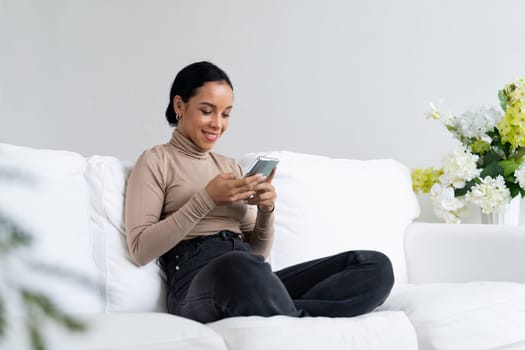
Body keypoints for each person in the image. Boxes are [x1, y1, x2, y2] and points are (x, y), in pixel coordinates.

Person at [124, 61, 394, 323]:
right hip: (197, 282)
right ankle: (291, 316)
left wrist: (266, 210)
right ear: (179, 105)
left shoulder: (228, 165)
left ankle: (283, 314)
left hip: (251, 278)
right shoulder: (156, 161)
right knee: (238, 267)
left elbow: (258, 254)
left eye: (226, 113)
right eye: (207, 111)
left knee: (374, 266)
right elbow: (140, 249)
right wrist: (206, 199)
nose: (217, 124)